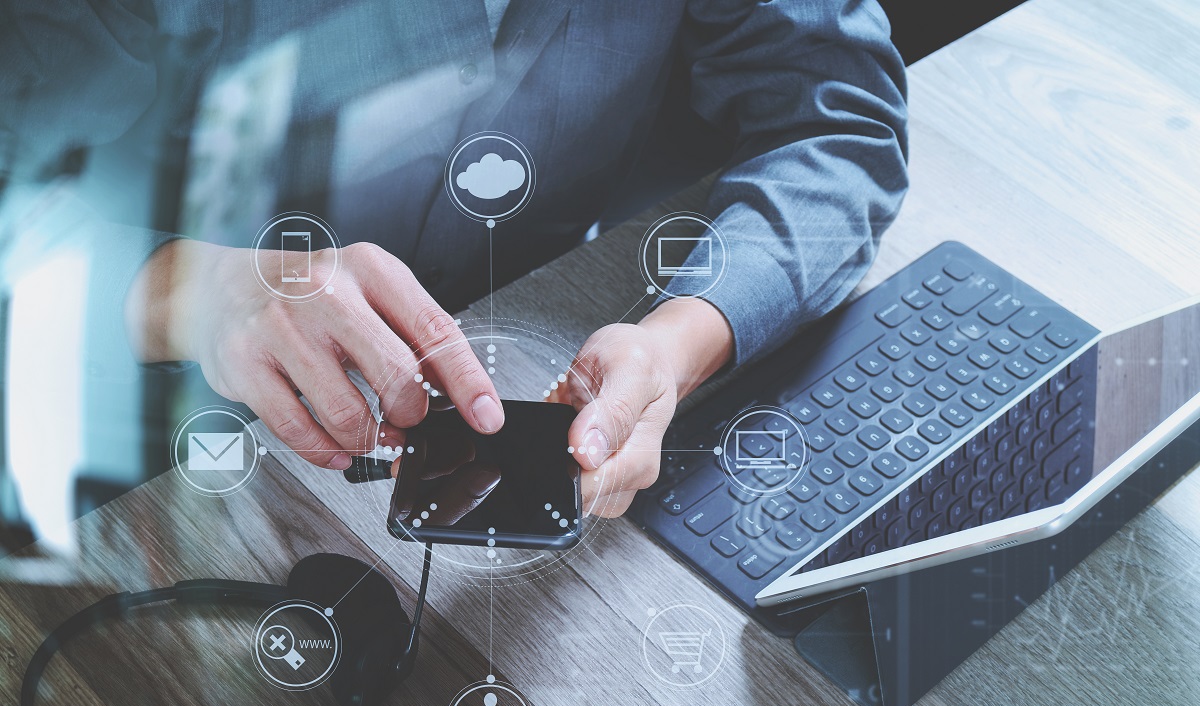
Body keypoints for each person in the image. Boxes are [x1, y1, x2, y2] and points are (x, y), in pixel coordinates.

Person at [0, 0, 907, 526]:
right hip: (112, 460)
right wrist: (191, 292)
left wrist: (678, 344)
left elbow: (838, 119)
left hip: (480, 420)